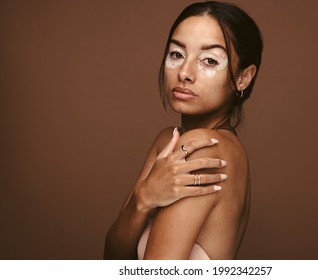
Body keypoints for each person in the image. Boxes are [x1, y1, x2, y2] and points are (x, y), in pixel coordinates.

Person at [104, 1, 263, 260]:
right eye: (177, 54)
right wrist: (143, 197)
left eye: (209, 60)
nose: (185, 73)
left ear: (244, 77)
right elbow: (112, 258)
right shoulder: (169, 140)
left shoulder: (205, 147)